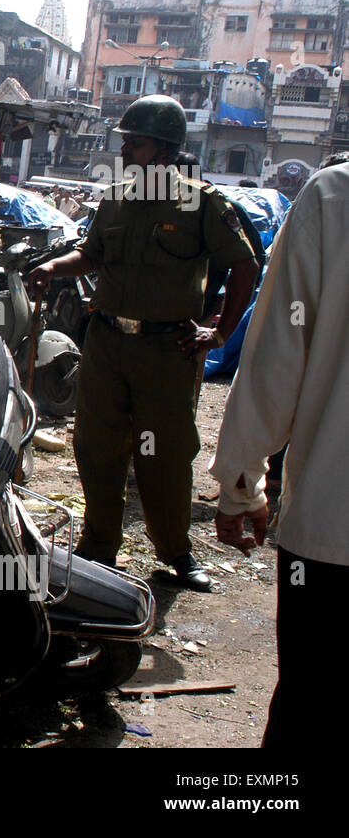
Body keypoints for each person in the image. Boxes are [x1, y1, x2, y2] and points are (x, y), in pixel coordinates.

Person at [27, 95, 259, 591]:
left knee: (164, 454)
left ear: (165, 149)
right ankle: (98, 546)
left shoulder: (200, 202)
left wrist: (218, 333)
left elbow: (244, 265)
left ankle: (176, 551)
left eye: (136, 142)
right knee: (96, 446)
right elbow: (91, 255)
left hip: (165, 351)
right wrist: (53, 266)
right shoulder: (115, 199)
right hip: (107, 343)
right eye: (126, 141)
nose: (125, 150)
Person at [209, 160, 349, 747]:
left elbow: (274, 363)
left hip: (333, 532)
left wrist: (242, 485)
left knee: (312, 707)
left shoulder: (334, 196)